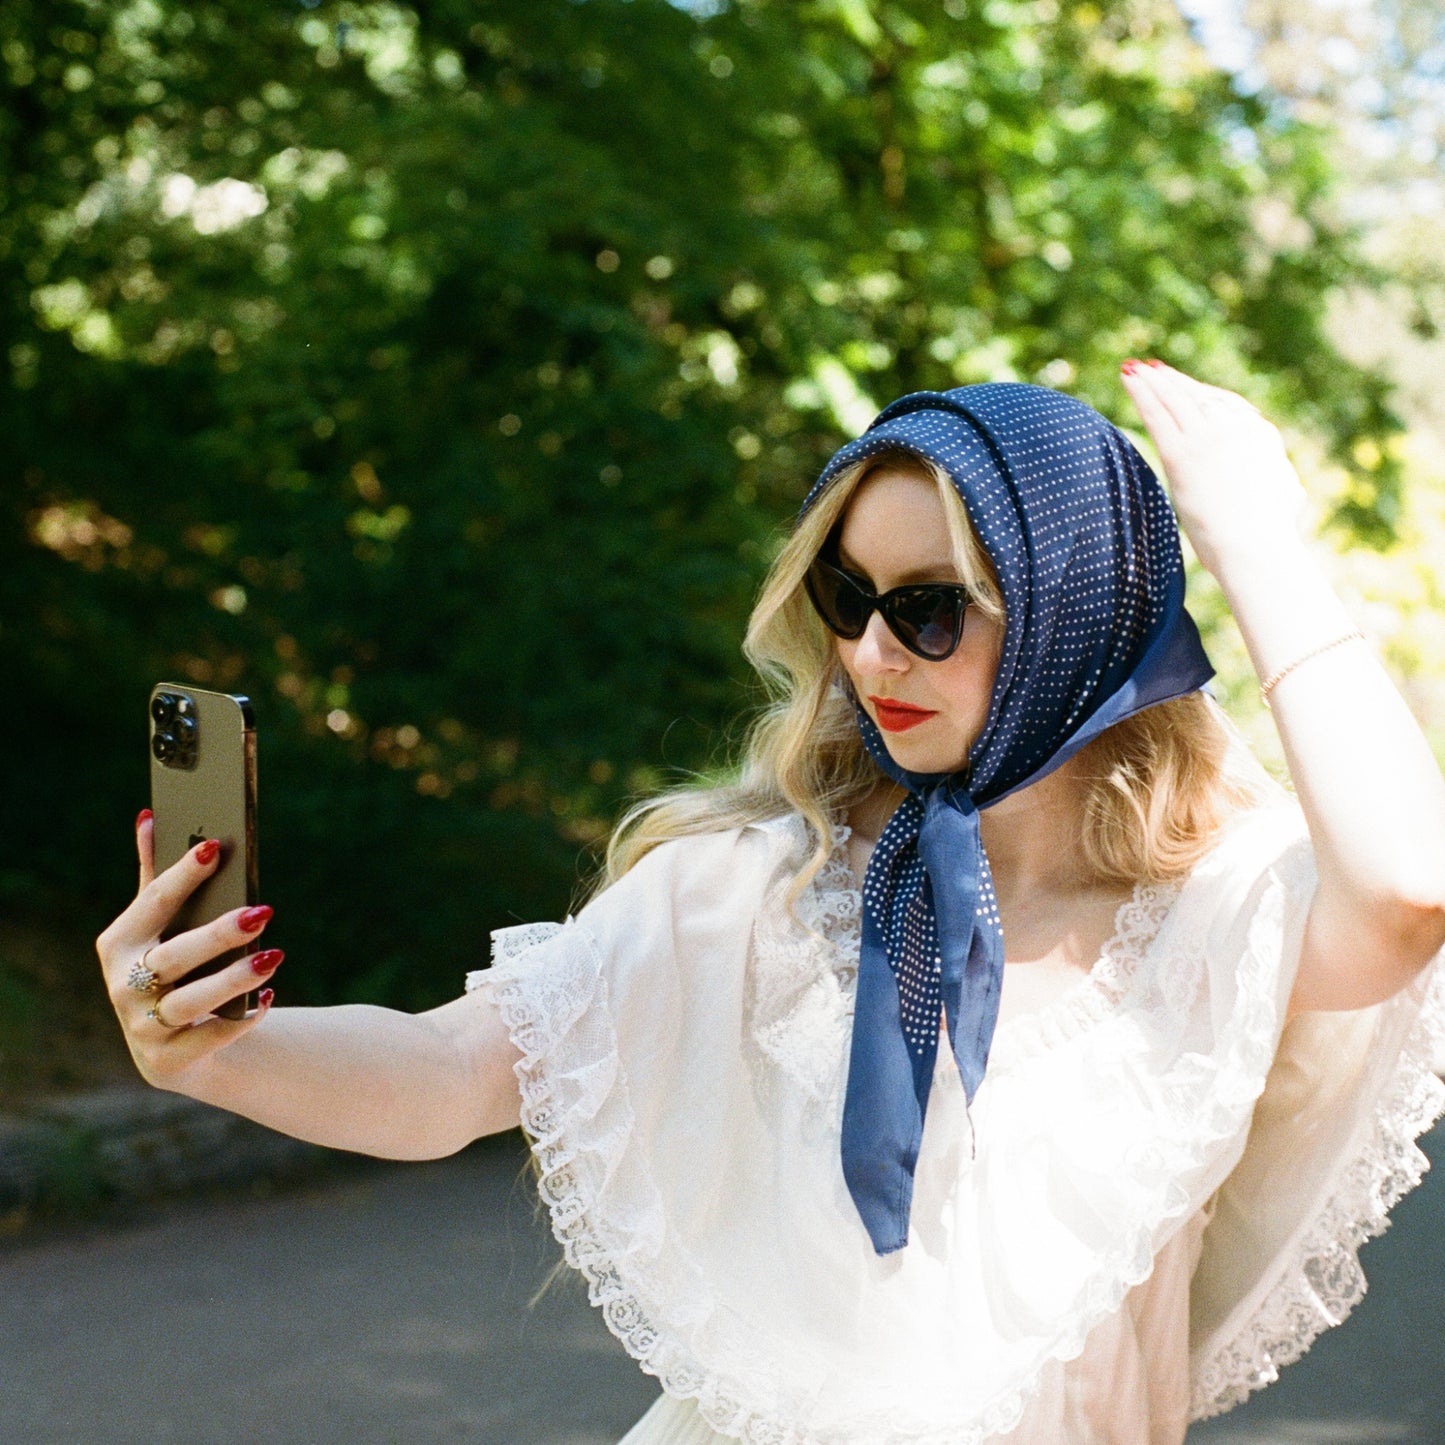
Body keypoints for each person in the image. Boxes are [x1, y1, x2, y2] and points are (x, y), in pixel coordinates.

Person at [97, 361, 1445, 1444]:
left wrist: (1257, 543)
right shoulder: (754, 884)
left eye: (929, 610)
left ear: (1079, 608)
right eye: (845, 598)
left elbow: (1408, 890)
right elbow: (444, 1074)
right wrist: (211, 1047)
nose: (870, 652)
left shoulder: (1211, 913)